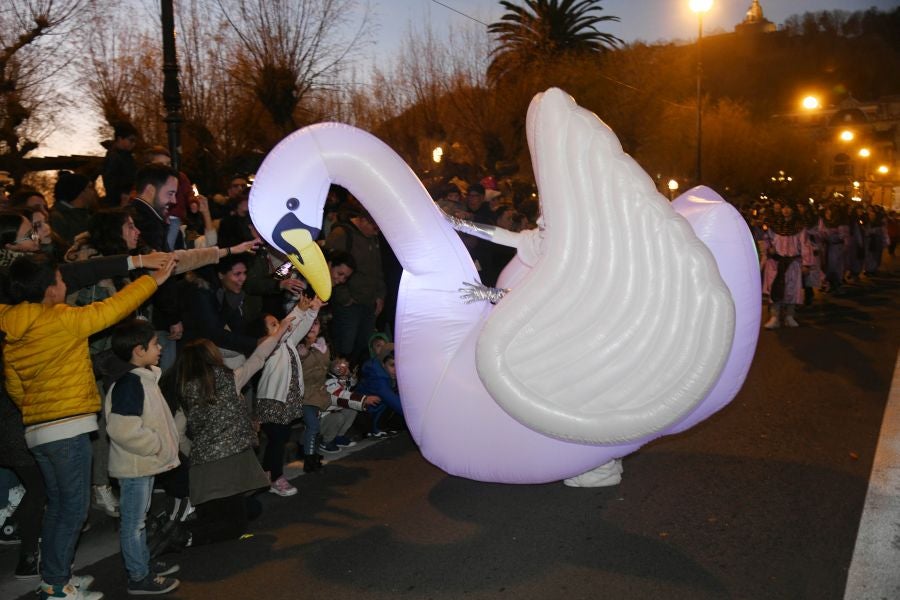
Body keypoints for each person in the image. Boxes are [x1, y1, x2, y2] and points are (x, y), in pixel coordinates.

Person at [0, 252, 176, 600]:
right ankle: (56, 587)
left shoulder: (11, 326)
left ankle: (56, 577)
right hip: (67, 428)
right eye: (60, 280)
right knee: (73, 509)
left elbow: (15, 386)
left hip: (38, 430)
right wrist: (152, 280)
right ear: (50, 290)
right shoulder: (62, 319)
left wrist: (39, 409)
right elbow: (112, 309)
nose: (65, 284)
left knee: (58, 506)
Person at [172, 317, 293, 547]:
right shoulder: (230, 380)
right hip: (228, 467)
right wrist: (281, 330)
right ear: (213, 357)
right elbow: (259, 356)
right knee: (235, 526)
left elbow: (177, 436)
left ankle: (177, 529)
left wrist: (195, 451)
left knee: (248, 509)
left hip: (201, 473)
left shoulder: (183, 393)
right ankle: (183, 536)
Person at [105, 319, 181, 595]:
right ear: (139, 350)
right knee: (134, 524)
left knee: (138, 520)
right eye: (154, 344)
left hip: (141, 464)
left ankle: (142, 564)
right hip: (135, 466)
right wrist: (156, 444)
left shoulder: (142, 379)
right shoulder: (130, 383)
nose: (160, 348)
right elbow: (121, 428)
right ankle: (138, 576)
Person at [255, 295, 322, 496]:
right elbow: (284, 333)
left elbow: (300, 328)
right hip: (272, 401)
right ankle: (275, 477)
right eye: (273, 324)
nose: (280, 325)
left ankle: (267, 475)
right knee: (277, 439)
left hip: (286, 401)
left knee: (280, 438)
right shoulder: (267, 345)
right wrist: (299, 310)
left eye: (278, 322)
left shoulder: (287, 342)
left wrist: (312, 310)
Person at [324, 209, 386, 367]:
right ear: (363, 220)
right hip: (349, 304)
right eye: (375, 227)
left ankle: (351, 375)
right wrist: (344, 298)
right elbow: (330, 267)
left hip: (369, 303)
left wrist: (380, 295)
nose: (377, 232)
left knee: (363, 344)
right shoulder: (341, 234)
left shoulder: (373, 238)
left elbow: (377, 268)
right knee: (345, 346)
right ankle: (338, 376)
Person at [320, 357, 380, 453]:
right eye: (343, 367)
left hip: (332, 413)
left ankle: (338, 437)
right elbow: (342, 395)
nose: (346, 369)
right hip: (321, 419)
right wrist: (364, 399)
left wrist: (352, 375)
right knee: (338, 417)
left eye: (347, 367)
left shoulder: (339, 379)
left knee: (351, 410)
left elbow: (351, 383)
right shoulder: (329, 382)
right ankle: (326, 441)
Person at [49, 171, 98, 246]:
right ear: (79, 191)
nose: (93, 191)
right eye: (90, 187)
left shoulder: (86, 215)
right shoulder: (56, 218)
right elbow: (59, 248)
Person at [102, 122, 138, 208]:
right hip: (119, 202)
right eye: (131, 140)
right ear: (120, 139)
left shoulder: (127, 156)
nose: (133, 144)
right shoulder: (114, 157)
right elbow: (110, 182)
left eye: (135, 141)